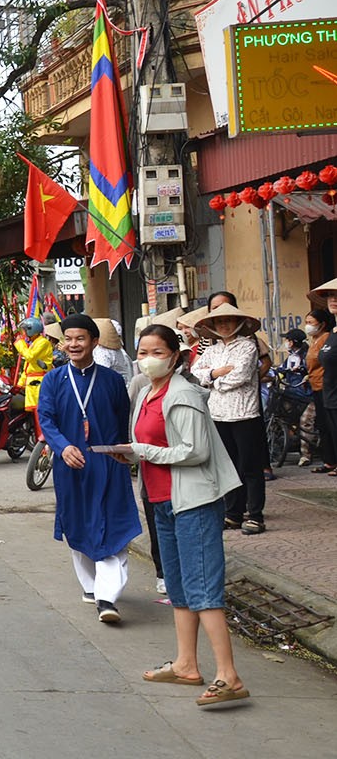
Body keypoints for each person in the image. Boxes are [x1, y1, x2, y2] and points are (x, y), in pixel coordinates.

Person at [123, 324, 250, 708]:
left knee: (203, 588)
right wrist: (128, 452)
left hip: (192, 501)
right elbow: (148, 444)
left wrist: (143, 451)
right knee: (177, 586)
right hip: (162, 500)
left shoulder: (184, 395)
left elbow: (195, 451)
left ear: (175, 356)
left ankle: (229, 675)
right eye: (143, 350)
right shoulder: (145, 392)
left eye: (157, 351)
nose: (148, 358)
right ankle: (186, 664)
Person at [36, 313, 140, 624]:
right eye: (68, 339)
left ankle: (107, 598)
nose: (73, 344)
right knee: (78, 524)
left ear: (94, 342)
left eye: (80, 338)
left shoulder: (110, 380)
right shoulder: (53, 380)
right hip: (71, 465)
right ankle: (92, 587)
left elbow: (123, 420)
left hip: (107, 464)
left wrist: (122, 453)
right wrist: (63, 447)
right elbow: (47, 419)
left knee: (112, 527)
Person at [191, 303, 268, 533]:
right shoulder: (212, 350)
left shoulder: (248, 346)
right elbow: (196, 373)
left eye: (229, 320)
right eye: (219, 321)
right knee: (228, 467)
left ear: (239, 323)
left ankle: (255, 515)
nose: (224, 325)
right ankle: (233, 514)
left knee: (251, 467)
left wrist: (213, 380)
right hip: (218, 415)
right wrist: (216, 374)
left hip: (245, 414)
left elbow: (241, 375)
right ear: (213, 326)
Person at [306, 308, 337, 473]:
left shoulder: (327, 338)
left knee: (331, 425)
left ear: (322, 324)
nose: (308, 326)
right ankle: (329, 461)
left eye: (311, 323)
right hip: (316, 386)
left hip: (326, 386)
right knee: (323, 426)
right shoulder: (313, 341)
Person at [15, 318, 55, 412]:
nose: (23, 333)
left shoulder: (43, 342)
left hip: (38, 381)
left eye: (24, 330)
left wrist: (20, 344)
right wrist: (20, 384)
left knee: (38, 411)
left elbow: (30, 357)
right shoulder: (34, 343)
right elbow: (28, 367)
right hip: (31, 382)